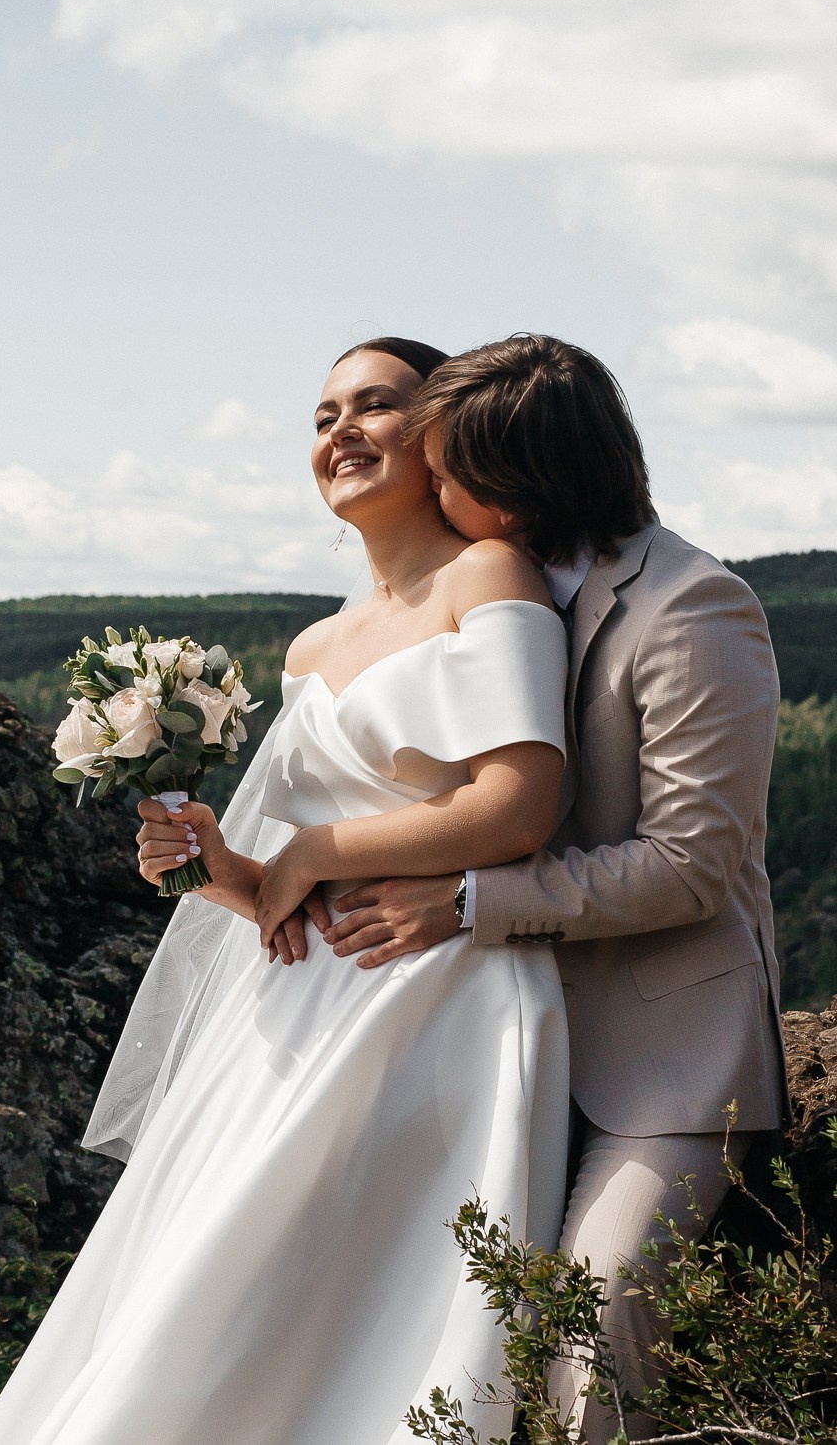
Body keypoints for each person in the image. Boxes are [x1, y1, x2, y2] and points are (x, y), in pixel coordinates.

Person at [0, 337, 572, 1445]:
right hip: (293, 1013)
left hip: (435, 997)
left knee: (344, 1319)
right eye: (322, 413)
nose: (339, 432)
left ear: (437, 430)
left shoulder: (487, 578)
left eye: (375, 406)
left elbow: (520, 806)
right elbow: (284, 894)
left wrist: (317, 847)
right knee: (208, 1299)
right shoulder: (313, 644)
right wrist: (212, 867)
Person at [319, 335, 787, 1442]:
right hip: (491, 1042)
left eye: (448, 468)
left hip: (660, 1065)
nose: (427, 486)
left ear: (523, 477)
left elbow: (690, 864)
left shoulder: (693, 607)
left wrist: (469, 899)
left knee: (593, 1323)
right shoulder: (487, 595)